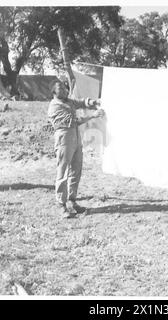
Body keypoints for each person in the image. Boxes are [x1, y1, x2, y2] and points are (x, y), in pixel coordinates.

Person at [48, 80, 104, 218]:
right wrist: (92, 115)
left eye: (64, 87)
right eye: (60, 88)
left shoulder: (68, 101)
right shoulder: (54, 106)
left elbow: (80, 102)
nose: (65, 90)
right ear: (54, 92)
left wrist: (93, 102)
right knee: (63, 171)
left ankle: (72, 201)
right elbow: (73, 121)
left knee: (76, 169)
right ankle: (61, 205)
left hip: (75, 137)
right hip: (64, 138)